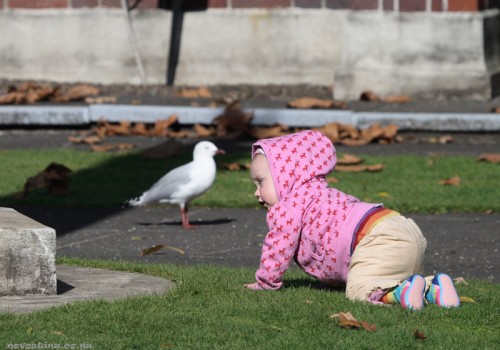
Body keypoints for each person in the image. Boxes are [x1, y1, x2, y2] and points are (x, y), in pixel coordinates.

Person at [244, 129, 460, 310]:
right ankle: (434, 287)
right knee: (387, 274)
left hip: (374, 239)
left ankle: (400, 292)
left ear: (286, 177)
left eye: (261, 182)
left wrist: (266, 282)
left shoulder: (287, 208)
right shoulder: (324, 194)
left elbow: (278, 246)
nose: (256, 193)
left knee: (359, 291)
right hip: (402, 227)